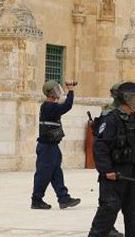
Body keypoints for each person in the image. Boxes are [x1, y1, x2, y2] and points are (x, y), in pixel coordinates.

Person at [88, 82, 135, 237]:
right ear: (127, 98)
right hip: (116, 173)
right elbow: (100, 147)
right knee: (109, 209)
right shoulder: (111, 119)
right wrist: (106, 170)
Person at [31, 80, 81, 210]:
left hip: (52, 145)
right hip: (46, 147)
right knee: (43, 174)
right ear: (50, 93)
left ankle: (63, 198)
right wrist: (71, 90)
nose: (58, 92)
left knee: (56, 173)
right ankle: (36, 200)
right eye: (56, 90)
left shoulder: (51, 106)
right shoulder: (49, 106)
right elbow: (67, 106)